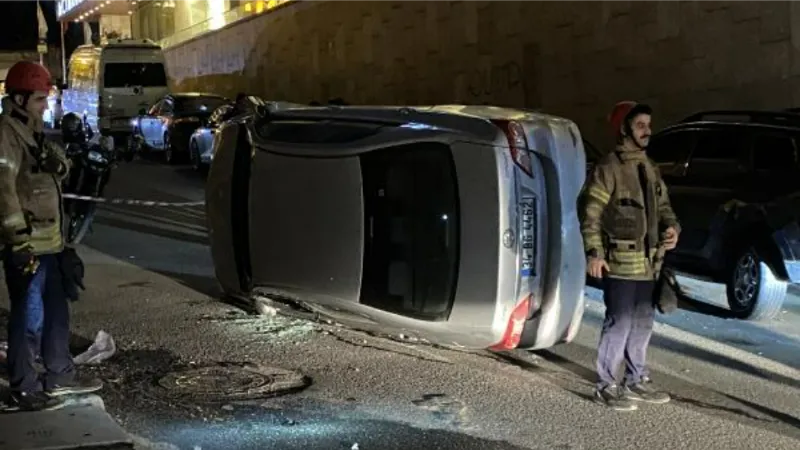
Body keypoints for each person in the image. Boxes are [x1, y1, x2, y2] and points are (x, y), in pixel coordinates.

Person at [0, 61, 102, 411]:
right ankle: (23, 386)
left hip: (52, 243)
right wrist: (17, 243)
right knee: (29, 318)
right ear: (18, 97)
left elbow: (58, 171)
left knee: (57, 314)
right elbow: (4, 192)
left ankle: (60, 376)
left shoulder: (33, 132)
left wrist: (57, 161)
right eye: (40, 99)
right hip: (28, 245)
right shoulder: (6, 133)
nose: (46, 106)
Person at [580, 101, 680, 411]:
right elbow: (590, 215)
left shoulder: (650, 167)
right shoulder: (608, 169)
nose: (647, 131)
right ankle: (606, 384)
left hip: (650, 265)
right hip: (620, 264)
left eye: (648, 125)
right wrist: (595, 253)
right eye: (640, 126)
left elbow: (664, 208)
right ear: (624, 129)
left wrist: (673, 227)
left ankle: (636, 379)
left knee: (642, 322)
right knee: (619, 323)